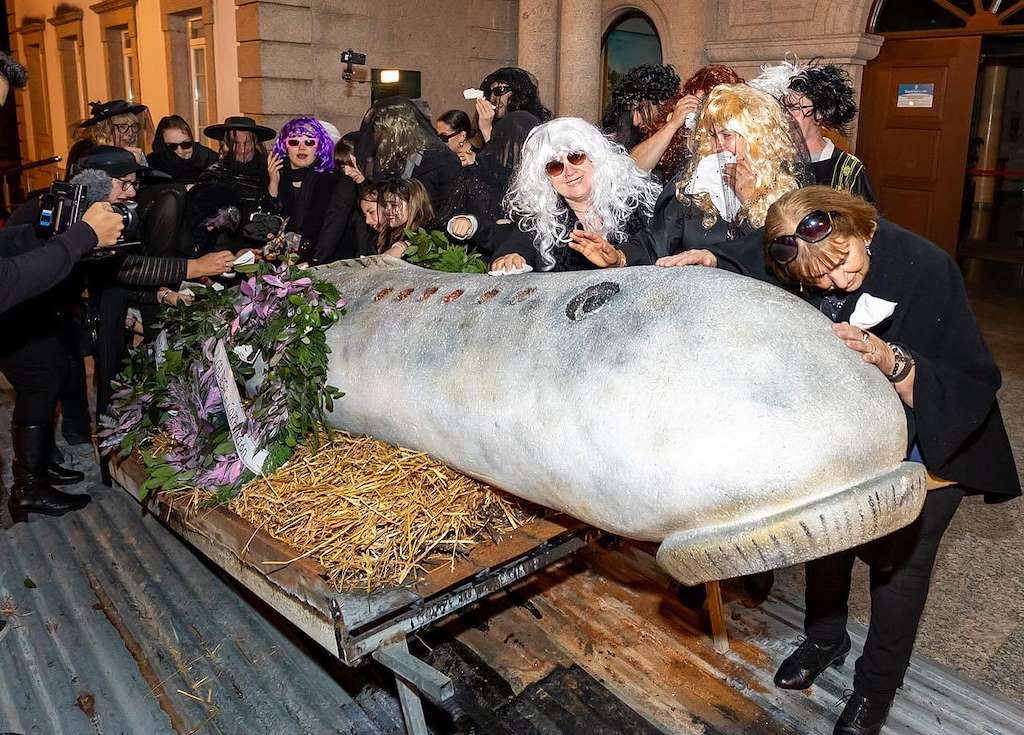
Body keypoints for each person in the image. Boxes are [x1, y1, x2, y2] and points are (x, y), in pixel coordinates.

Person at [763, 186, 1019, 735]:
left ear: (862, 229)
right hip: (848, 438)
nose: (837, 282)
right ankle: (824, 639)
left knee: (898, 571)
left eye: (843, 263)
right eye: (820, 279)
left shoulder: (925, 267)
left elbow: (973, 381)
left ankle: (876, 687)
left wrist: (890, 359)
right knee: (826, 544)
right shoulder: (808, 273)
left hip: (930, 441)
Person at [640, 83, 810, 270]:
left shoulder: (785, 189)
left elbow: (787, 262)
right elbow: (655, 242)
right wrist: (621, 256)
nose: (717, 145)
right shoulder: (694, 184)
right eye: (713, 135)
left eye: (726, 135)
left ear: (756, 137)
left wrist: (751, 202)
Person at [487, 117, 659, 273]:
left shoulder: (636, 203)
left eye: (575, 157)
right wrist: (509, 259)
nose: (569, 171)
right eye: (555, 166)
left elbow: (661, 248)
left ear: (594, 158)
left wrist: (620, 258)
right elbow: (512, 251)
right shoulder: (542, 222)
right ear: (545, 178)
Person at [752, 59, 875, 201]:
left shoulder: (847, 170)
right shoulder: (765, 162)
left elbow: (864, 220)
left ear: (820, 113)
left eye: (793, 108)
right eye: (779, 108)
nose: (784, 116)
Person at [186, 116, 275, 253]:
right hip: (223, 254)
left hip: (263, 248)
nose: (242, 150)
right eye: (236, 143)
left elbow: (273, 214)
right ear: (227, 144)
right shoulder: (214, 174)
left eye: (247, 143)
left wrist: (273, 182)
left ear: (256, 143)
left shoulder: (267, 171)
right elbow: (202, 225)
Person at [354, 97, 460, 210]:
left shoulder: (443, 161)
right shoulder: (389, 164)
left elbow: (453, 208)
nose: (377, 137)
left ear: (400, 131)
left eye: (382, 131)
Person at [263, 117, 340, 262]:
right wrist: (273, 184)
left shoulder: (331, 180)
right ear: (285, 147)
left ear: (319, 147)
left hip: (318, 260)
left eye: (309, 142)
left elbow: (330, 227)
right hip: (276, 260)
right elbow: (266, 226)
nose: (302, 148)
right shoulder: (273, 176)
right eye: (294, 142)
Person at [475, 67, 552, 145]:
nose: (492, 98)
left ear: (517, 93)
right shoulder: (500, 125)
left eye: (499, 90)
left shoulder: (527, 126)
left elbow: (505, 156)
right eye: (489, 92)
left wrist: (486, 129)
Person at [77, 99, 153, 164]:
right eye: (122, 127)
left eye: (133, 126)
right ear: (106, 130)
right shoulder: (89, 156)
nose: (131, 133)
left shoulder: (136, 154)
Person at [146, 114, 217, 182]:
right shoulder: (153, 164)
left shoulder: (209, 159)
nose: (180, 151)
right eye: (172, 146)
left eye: (186, 144)